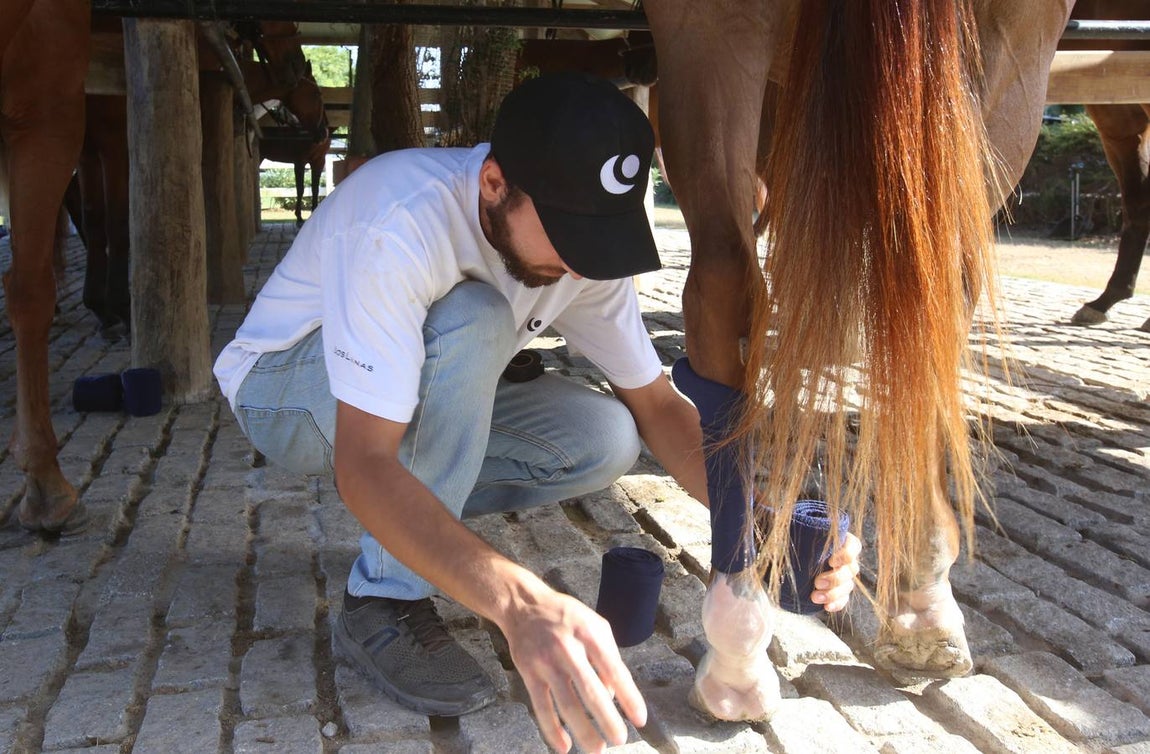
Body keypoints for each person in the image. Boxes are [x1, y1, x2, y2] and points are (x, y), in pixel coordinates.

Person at [214, 72, 860, 753]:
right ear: (494, 183)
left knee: (607, 436)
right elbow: (364, 464)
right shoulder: (400, 220)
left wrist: (760, 520)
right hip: (283, 391)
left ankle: (424, 522)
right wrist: (518, 603)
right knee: (477, 317)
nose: (586, 266)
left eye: (600, 235)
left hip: (400, 403)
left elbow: (658, 408)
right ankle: (383, 599)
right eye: (569, 234)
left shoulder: (582, 256)